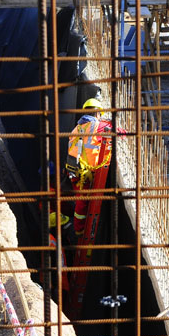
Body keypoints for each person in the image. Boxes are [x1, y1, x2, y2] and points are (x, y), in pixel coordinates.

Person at [66, 98, 114, 237]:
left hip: (74, 170)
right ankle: (79, 229)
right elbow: (113, 129)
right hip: (83, 172)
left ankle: (78, 227)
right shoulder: (95, 126)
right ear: (97, 113)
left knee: (81, 201)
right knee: (83, 201)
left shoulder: (79, 127)